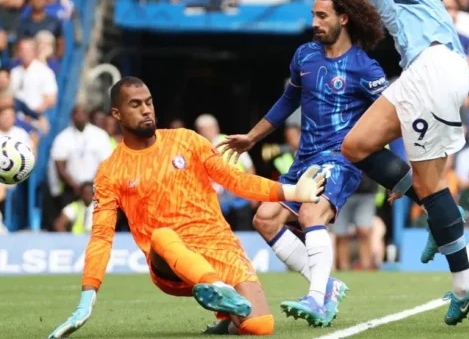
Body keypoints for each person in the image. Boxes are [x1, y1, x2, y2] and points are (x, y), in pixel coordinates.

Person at [268, 0, 469, 324]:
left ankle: (463, 279)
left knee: (430, 184)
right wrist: (420, 6)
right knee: (357, 145)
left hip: (434, 67)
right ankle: (443, 219)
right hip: (430, 69)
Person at [47, 77, 326, 339]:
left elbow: (235, 180)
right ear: (117, 114)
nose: (146, 110)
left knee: (260, 326)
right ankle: (217, 288)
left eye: (149, 102)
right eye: (135, 104)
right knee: (162, 235)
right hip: (170, 263)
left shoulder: (187, 140)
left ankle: (228, 315)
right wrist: (87, 298)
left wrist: (291, 191)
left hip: (219, 246)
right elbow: (101, 237)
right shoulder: (110, 171)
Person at [219, 0, 388, 326]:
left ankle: (317, 300)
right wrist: (252, 137)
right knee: (264, 219)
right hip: (304, 160)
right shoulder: (304, 56)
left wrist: (397, 175)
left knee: (311, 215)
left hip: (340, 160)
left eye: (322, 16)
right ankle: (326, 285)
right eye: (313, 15)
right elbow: (288, 101)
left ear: (344, 18)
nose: (314, 22)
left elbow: (390, 119)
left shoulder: (365, 68)